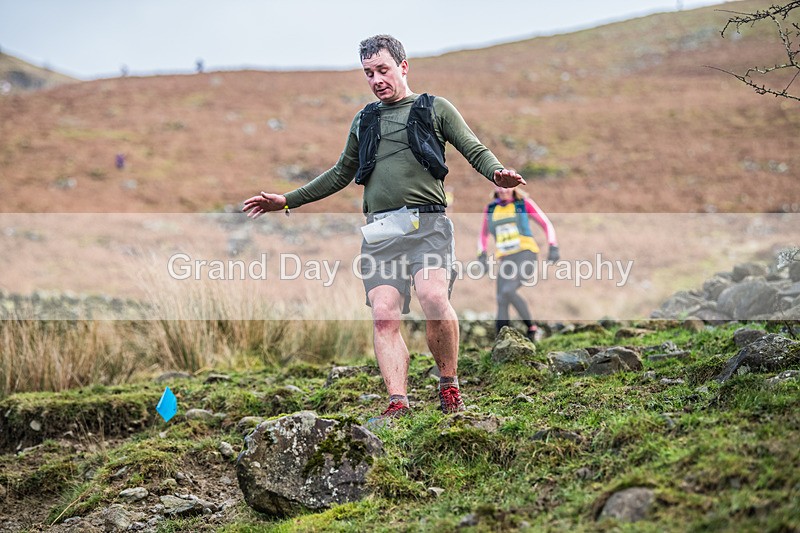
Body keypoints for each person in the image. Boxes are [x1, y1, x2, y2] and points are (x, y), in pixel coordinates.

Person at [242, 35, 526, 420]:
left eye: (383, 70)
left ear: (403, 66)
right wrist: (288, 200)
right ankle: (398, 402)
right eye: (368, 73)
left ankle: (449, 387)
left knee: (432, 297)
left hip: (428, 226)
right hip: (381, 233)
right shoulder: (365, 120)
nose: (376, 79)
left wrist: (497, 171)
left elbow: (473, 149)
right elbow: (342, 172)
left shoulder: (435, 108)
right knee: (384, 314)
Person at [478, 186, 558, 341]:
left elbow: (546, 224)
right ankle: (501, 341)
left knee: (508, 290)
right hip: (506, 259)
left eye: (507, 186)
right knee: (501, 298)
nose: (503, 190)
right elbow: (483, 234)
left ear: (514, 187)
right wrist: (481, 255)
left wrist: (553, 246)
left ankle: (533, 329)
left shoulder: (523, 204)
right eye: (499, 186)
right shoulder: (491, 209)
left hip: (526, 254)